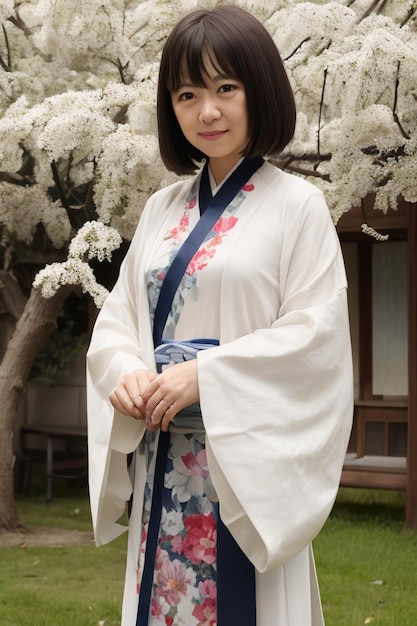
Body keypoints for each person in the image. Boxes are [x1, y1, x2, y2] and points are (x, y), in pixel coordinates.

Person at [86, 5, 353, 626]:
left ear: (258, 91)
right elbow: (119, 322)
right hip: (164, 465)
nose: (208, 111)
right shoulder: (160, 209)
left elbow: (316, 337)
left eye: (226, 88)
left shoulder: (299, 207)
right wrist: (125, 371)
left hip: (246, 472)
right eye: (188, 94)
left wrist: (206, 374)